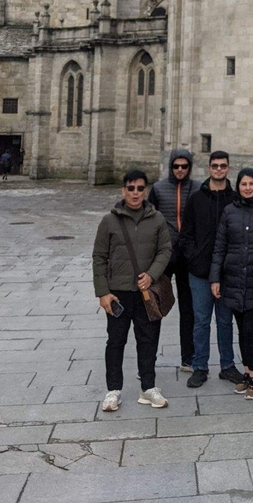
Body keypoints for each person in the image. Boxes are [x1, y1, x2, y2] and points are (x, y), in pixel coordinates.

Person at [92, 169, 172, 412]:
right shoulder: (109, 221)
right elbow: (99, 257)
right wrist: (102, 292)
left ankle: (148, 387)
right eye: (130, 188)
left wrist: (151, 275)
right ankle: (113, 390)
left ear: (145, 190)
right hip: (118, 293)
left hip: (146, 292)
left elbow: (165, 250)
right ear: (123, 190)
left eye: (139, 188)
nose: (135, 193)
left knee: (148, 340)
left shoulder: (157, 219)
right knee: (116, 341)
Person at [209, 168, 253, 400]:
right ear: (238, 187)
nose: (248, 188)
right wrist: (215, 278)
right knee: (241, 330)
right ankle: (247, 374)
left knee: (252, 330)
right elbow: (220, 246)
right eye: (243, 184)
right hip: (233, 280)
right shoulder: (229, 211)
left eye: (251, 184)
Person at [179, 150, 242, 387]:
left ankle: (227, 365)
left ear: (228, 168)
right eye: (214, 166)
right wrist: (194, 259)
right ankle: (200, 366)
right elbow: (186, 235)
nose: (218, 169)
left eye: (222, 166)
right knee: (201, 321)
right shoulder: (196, 198)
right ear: (209, 168)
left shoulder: (234, 199)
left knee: (225, 321)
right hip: (200, 271)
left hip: (226, 273)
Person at [148, 148, 199, 373]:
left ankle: (188, 357)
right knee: (156, 305)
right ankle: (148, 358)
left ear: (189, 167)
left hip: (188, 256)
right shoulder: (158, 189)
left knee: (189, 309)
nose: (180, 170)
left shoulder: (197, 189)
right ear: (171, 166)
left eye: (184, 166)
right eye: (176, 166)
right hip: (165, 257)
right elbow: (149, 221)